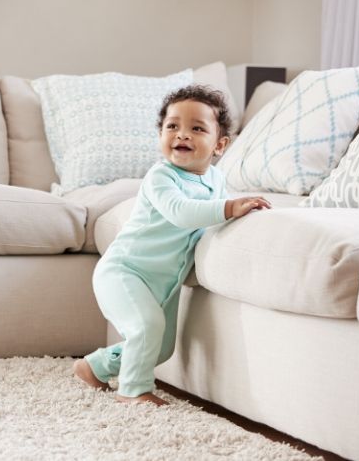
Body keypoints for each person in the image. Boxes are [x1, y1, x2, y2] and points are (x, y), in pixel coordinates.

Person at [73, 85, 271, 405]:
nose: (182, 134)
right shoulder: (161, 177)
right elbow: (182, 213)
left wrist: (242, 210)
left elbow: (213, 218)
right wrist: (230, 207)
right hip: (124, 271)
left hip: (164, 284)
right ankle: (133, 390)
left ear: (219, 145)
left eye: (197, 128)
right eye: (172, 126)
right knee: (147, 327)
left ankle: (94, 366)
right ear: (161, 134)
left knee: (161, 349)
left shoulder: (216, 182)